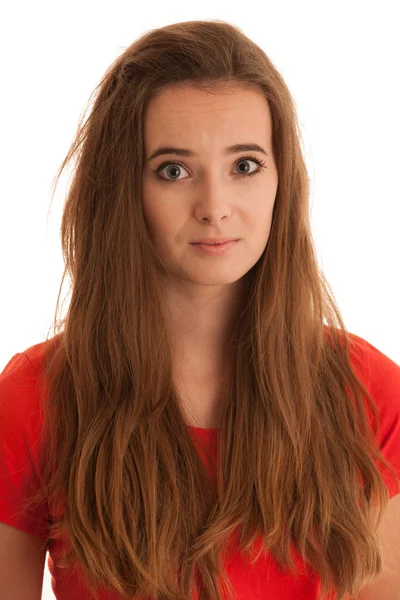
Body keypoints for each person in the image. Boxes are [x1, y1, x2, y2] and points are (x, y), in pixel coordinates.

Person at [1, 19, 400, 600]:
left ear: (280, 183)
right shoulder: (34, 401)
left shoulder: (371, 395)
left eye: (244, 166)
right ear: (124, 190)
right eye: (173, 170)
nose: (215, 207)